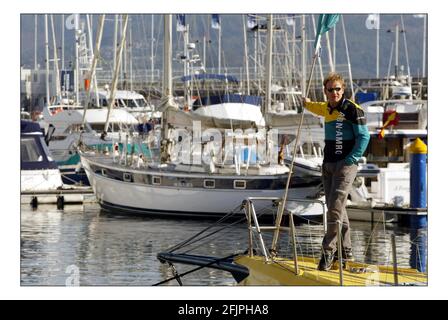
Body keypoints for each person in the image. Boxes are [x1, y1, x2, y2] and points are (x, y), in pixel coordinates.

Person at [303, 73, 370, 271]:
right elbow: (315, 106)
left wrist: (351, 159)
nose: (334, 93)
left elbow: (364, 137)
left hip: (345, 165)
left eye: (338, 89)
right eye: (331, 90)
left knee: (334, 207)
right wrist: (306, 103)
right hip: (328, 164)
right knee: (337, 207)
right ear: (326, 91)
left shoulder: (351, 109)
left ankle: (328, 251)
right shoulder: (326, 108)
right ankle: (346, 250)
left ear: (343, 90)